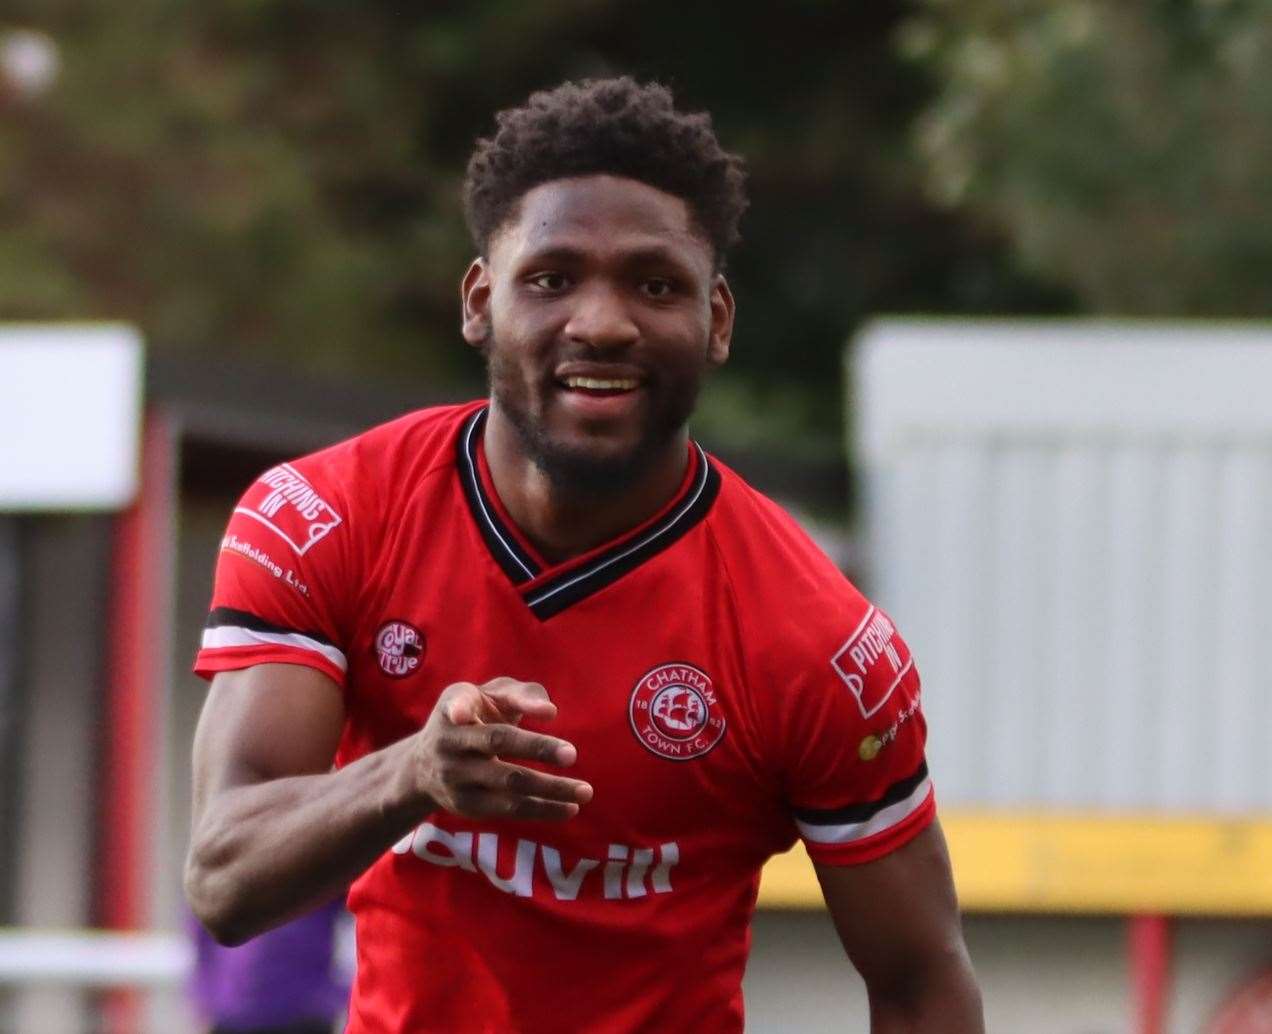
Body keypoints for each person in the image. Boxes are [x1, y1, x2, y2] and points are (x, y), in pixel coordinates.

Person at [185, 77, 983, 1033]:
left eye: (655, 284)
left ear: (717, 321)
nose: (602, 323)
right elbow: (225, 878)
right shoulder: (328, 518)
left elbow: (921, 981)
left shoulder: (814, 639)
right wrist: (413, 773)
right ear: (481, 302)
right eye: (553, 277)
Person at [187, 898, 351, 1034]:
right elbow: (203, 937)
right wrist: (206, 1001)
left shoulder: (313, 866)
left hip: (304, 1012)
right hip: (234, 1013)